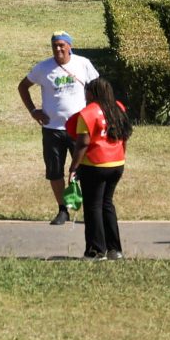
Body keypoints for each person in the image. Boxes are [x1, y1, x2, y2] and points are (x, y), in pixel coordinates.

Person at [18, 32, 97, 227]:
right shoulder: (43, 68)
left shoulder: (83, 64)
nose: (58, 49)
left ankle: (91, 210)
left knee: (86, 170)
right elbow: (23, 86)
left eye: (62, 45)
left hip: (79, 128)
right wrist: (33, 111)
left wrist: (93, 112)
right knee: (55, 172)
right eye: (55, 45)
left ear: (70, 46)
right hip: (52, 129)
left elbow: (98, 87)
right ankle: (63, 210)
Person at [66, 76, 129, 260]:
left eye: (86, 91)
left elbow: (82, 144)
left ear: (92, 93)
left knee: (93, 206)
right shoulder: (118, 108)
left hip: (94, 165)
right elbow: (124, 135)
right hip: (117, 164)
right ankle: (114, 250)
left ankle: (96, 251)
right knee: (107, 204)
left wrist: (73, 168)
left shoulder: (87, 113)